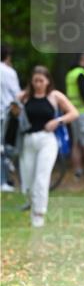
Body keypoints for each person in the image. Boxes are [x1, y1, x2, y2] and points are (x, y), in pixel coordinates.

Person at [11, 66, 78, 227]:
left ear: (48, 81)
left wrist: (58, 121)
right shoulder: (25, 96)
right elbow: (15, 116)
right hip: (28, 140)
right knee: (28, 180)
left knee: (42, 177)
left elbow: (73, 113)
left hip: (47, 140)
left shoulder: (55, 96)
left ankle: (39, 215)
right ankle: (32, 205)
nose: (38, 84)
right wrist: (16, 105)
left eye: (41, 80)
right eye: (35, 81)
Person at [1, 45, 21, 191]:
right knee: (4, 147)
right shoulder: (8, 72)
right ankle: (3, 181)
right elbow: (17, 94)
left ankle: (5, 177)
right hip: (6, 113)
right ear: (7, 56)